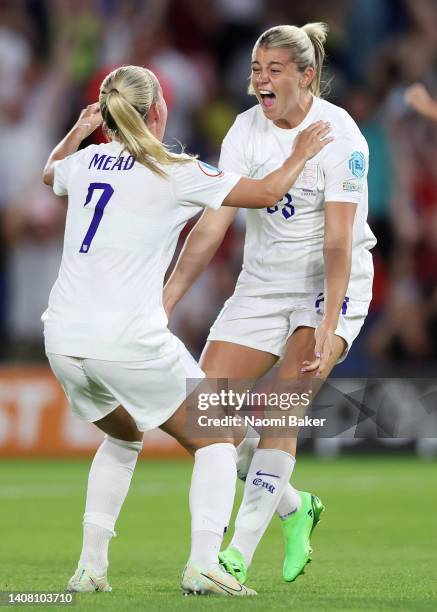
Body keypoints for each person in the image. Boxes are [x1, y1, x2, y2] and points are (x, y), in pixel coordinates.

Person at [41, 65, 331, 596]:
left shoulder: (83, 162)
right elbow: (267, 193)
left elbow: (48, 172)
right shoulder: (175, 170)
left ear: (106, 117)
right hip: (125, 339)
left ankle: (89, 568)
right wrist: (301, 153)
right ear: (157, 111)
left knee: (124, 435)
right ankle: (204, 563)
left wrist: (80, 131)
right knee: (218, 435)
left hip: (61, 338)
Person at [164, 23, 376, 584]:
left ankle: (233, 556)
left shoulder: (343, 138)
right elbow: (212, 227)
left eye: (274, 70)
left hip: (329, 284)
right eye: (256, 69)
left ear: (307, 76)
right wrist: (165, 300)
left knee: (280, 408)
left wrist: (329, 325)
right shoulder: (244, 130)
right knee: (207, 420)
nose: (260, 80)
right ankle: (293, 505)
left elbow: (337, 242)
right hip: (260, 284)